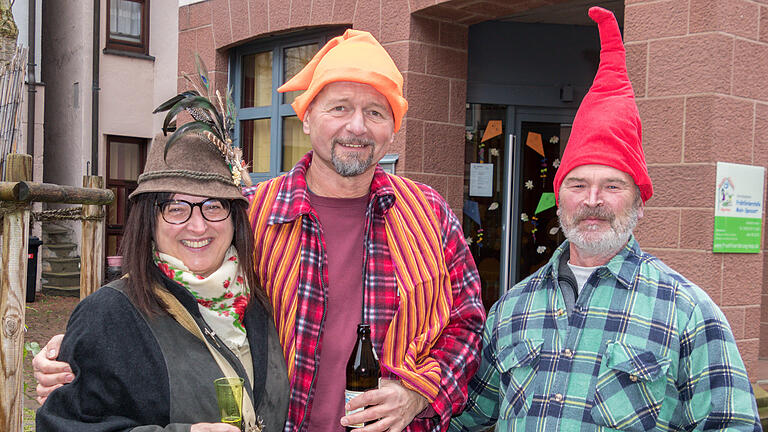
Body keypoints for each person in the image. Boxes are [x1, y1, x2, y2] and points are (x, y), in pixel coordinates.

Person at [35, 30, 486, 432]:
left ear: (392, 130)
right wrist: (77, 351)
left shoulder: (431, 217)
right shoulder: (250, 214)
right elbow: (175, 291)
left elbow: (467, 325)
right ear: (307, 119)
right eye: (340, 107)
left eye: (375, 111)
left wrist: (420, 393)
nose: (357, 126)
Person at [450, 7, 761, 432]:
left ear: (639, 203)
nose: (592, 200)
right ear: (559, 200)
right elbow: (470, 419)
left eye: (612, 186)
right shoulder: (511, 309)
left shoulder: (687, 312)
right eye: (578, 185)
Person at [35, 133, 290, 432]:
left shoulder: (260, 302)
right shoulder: (109, 314)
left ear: (234, 218)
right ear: (150, 221)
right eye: (176, 208)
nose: (198, 225)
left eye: (214, 206)